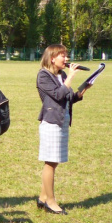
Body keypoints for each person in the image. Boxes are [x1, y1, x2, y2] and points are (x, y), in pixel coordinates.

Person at [36, 44, 89, 214]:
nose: (67, 59)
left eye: (66, 56)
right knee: (50, 162)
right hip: (51, 122)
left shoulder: (62, 75)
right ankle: (50, 202)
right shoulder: (43, 76)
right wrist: (71, 77)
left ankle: (43, 198)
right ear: (52, 58)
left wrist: (81, 92)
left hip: (63, 121)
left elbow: (67, 98)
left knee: (54, 161)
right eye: (63, 56)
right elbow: (58, 95)